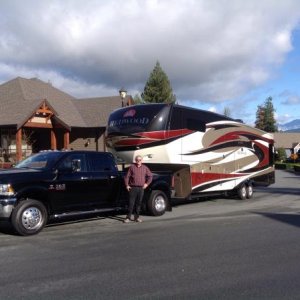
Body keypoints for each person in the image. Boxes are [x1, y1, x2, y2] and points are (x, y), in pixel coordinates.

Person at [124, 155, 153, 223]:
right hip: (133, 188)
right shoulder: (132, 167)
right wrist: (127, 185)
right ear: (135, 160)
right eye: (137, 160)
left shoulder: (145, 168)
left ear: (142, 161)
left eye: (140, 160)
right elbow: (127, 177)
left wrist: (146, 184)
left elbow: (150, 176)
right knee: (131, 203)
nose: (138, 161)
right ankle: (128, 217)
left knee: (139, 203)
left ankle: (136, 218)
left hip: (141, 188)